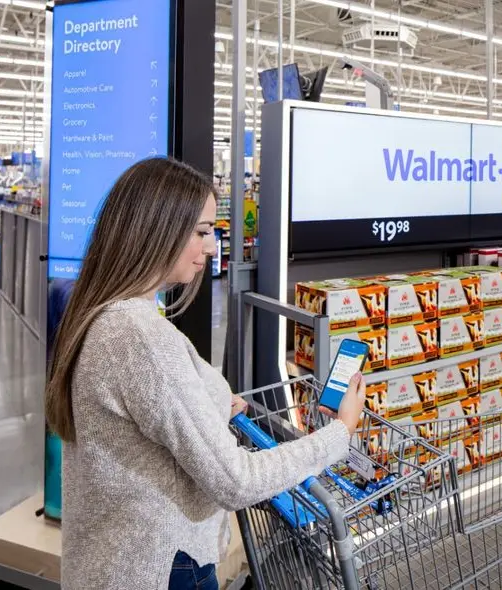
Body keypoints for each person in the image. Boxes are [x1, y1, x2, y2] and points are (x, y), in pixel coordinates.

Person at [45, 157, 366, 590]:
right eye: (201, 232)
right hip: (161, 570)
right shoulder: (140, 337)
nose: (212, 247)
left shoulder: (105, 316)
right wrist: (339, 433)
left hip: (117, 564)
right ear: (156, 229)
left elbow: (145, 421)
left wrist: (209, 406)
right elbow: (236, 481)